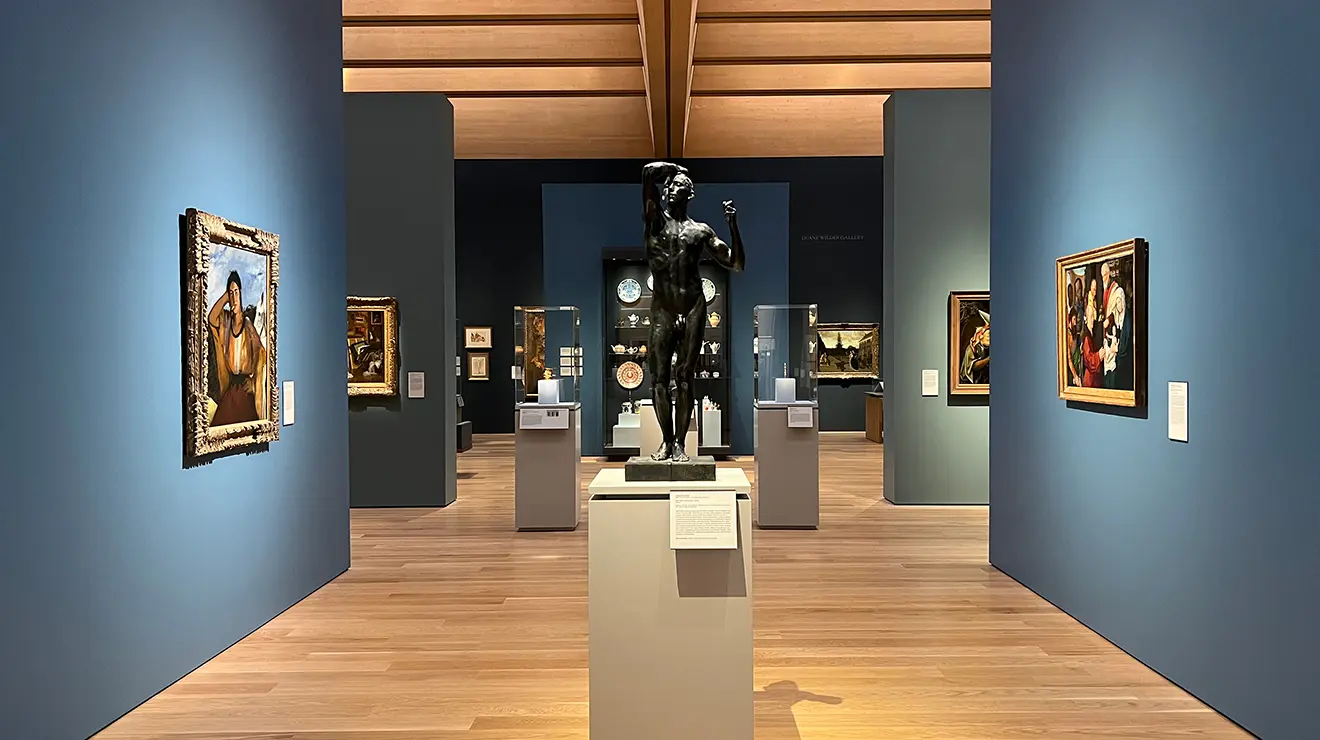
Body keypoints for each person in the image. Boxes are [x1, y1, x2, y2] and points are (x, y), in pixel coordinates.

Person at [642, 162, 745, 462]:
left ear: (690, 192)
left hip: (692, 307)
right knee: (659, 378)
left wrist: (733, 225)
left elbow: (736, 263)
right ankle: (665, 441)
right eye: (670, 185)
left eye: (679, 184)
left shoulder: (701, 231)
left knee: (685, 375)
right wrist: (674, 167)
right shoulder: (653, 222)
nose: (672, 188)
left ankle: (680, 444)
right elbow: (648, 173)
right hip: (663, 306)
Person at [207, 270, 267, 426]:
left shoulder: (247, 326)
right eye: (231, 293)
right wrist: (226, 297)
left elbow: (261, 355)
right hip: (231, 387)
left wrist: (254, 383)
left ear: (241, 294)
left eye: (236, 292)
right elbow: (211, 318)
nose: (234, 297)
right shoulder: (225, 321)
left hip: (245, 389)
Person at [1101, 261, 1132, 390]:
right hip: (1108, 338)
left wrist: (1110, 319)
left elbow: (1118, 314)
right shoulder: (1107, 291)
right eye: (1102, 276)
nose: (1104, 278)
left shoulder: (1117, 291)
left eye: (1105, 275)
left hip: (1116, 337)